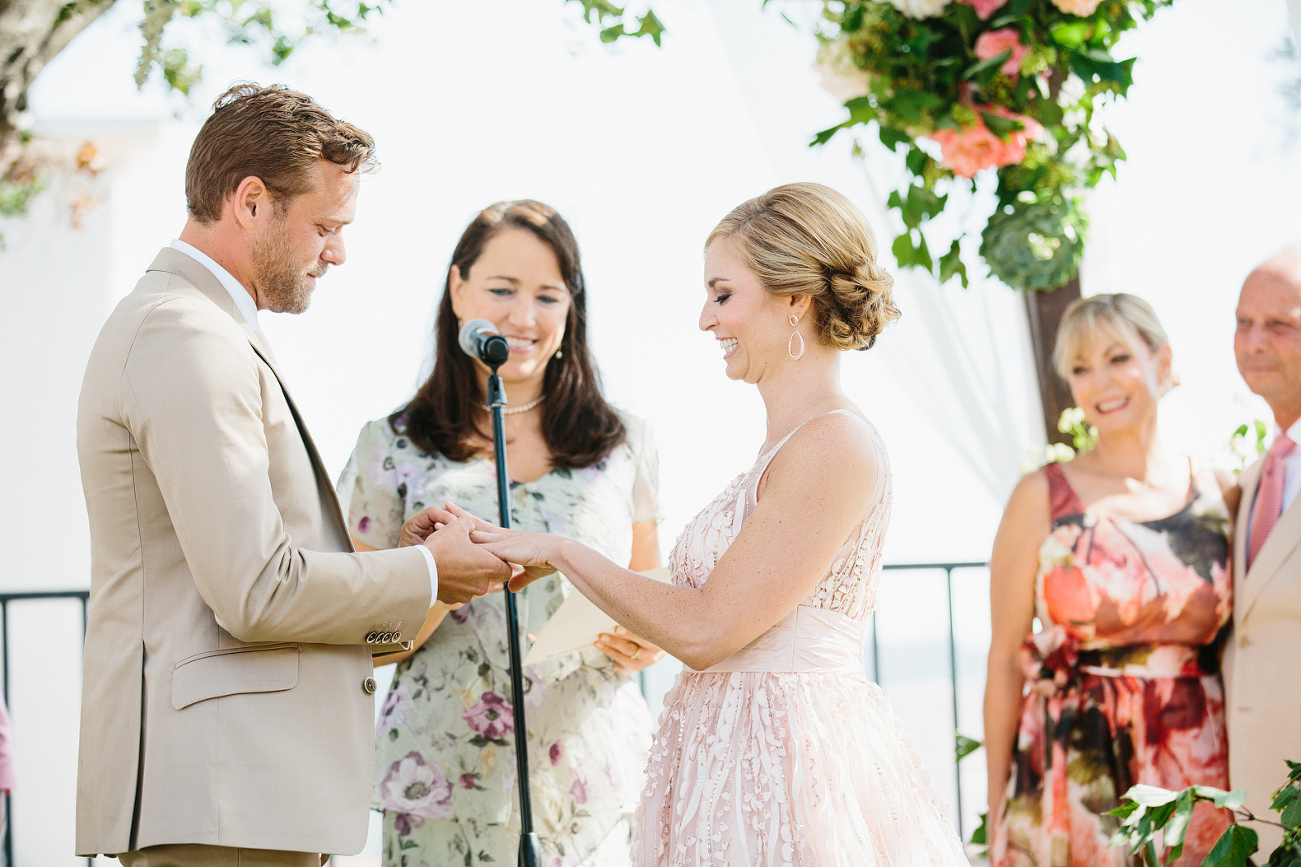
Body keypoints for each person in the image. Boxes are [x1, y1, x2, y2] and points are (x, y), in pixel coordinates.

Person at [424, 182, 970, 865]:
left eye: (722, 293)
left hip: (789, 773)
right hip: (730, 764)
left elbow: (707, 629)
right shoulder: (786, 448)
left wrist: (560, 550)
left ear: (794, 298)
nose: (706, 320)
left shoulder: (834, 444)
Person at [74, 84, 510, 867]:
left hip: (243, 802)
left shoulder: (198, 329)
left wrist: (410, 573)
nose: (337, 252)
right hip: (219, 806)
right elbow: (255, 592)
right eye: (326, 226)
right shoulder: (184, 332)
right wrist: (421, 572)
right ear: (249, 201)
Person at [337, 200, 664, 866]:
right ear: (457, 290)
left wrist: (642, 641)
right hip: (440, 781)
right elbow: (357, 640)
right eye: (501, 289)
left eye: (547, 295)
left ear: (571, 308)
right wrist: (438, 582)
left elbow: (648, 599)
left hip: (591, 784)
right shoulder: (389, 445)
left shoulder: (624, 442)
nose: (523, 316)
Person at [984, 294, 1236, 866]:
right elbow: (1003, 659)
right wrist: (997, 805)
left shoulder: (1223, 494)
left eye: (1117, 357)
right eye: (1079, 367)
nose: (1099, 382)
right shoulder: (1039, 498)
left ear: (1163, 363)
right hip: (1074, 768)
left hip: (1197, 762)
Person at [1227, 250, 1301, 853]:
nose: (1254, 341)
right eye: (1242, 321)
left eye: (1281, 325)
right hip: (1257, 813)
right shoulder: (1254, 478)